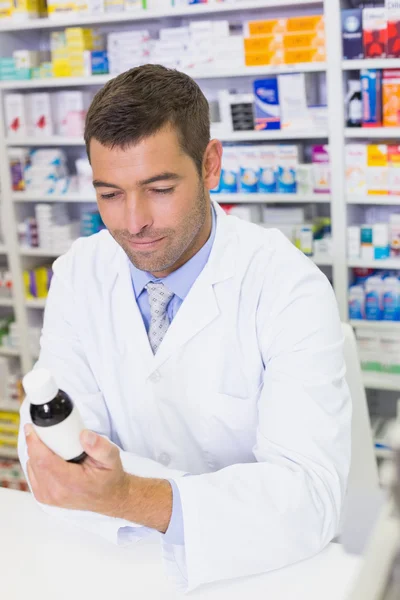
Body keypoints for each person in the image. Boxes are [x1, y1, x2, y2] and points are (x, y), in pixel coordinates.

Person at [18, 64, 351, 592]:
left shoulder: (287, 286)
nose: (133, 222)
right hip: (117, 562)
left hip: (265, 573)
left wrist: (128, 493)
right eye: (109, 194)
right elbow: (55, 443)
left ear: (210, 164)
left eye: (159, 188)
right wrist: (121, 495)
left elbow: (309, 497)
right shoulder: (81, 272)